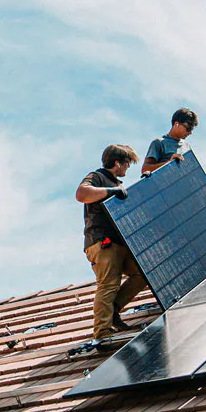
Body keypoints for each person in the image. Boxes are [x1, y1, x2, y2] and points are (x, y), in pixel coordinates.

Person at [76, 144, 149, 343]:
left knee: (141, 273)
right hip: (102, 242)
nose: (127, 168)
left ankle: (114, 310)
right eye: (127, 164)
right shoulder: (97, 177)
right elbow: (82, 194)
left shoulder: (117, 184)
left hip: (120, 244)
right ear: (117, 163)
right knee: (108, 284)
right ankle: (102, 334)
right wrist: (112, 190)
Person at [142, 108, 198, 176]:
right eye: (189, 128)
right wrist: (169, 163)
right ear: (176, 124)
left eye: (192, 129)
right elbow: (145, 169)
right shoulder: (159, 143)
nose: (191, 132)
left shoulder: (187, 147)